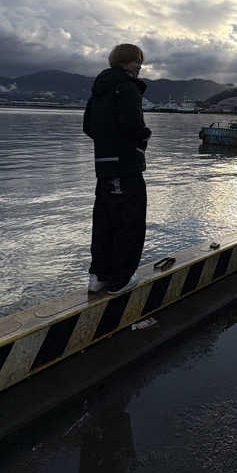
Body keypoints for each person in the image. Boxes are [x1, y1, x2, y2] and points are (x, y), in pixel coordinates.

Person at [83, 43, 151, 295]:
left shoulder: (98, 91)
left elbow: (88, 127)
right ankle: (121, 279)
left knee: (104, 221)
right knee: (129, 222)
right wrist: (144, 135)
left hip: (104, 166)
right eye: (136, 61)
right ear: (126, 61)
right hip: (126, 166)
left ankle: (98, 276)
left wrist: (107, 143)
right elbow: (132, 125)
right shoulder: (127, 88)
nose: (139, 66)